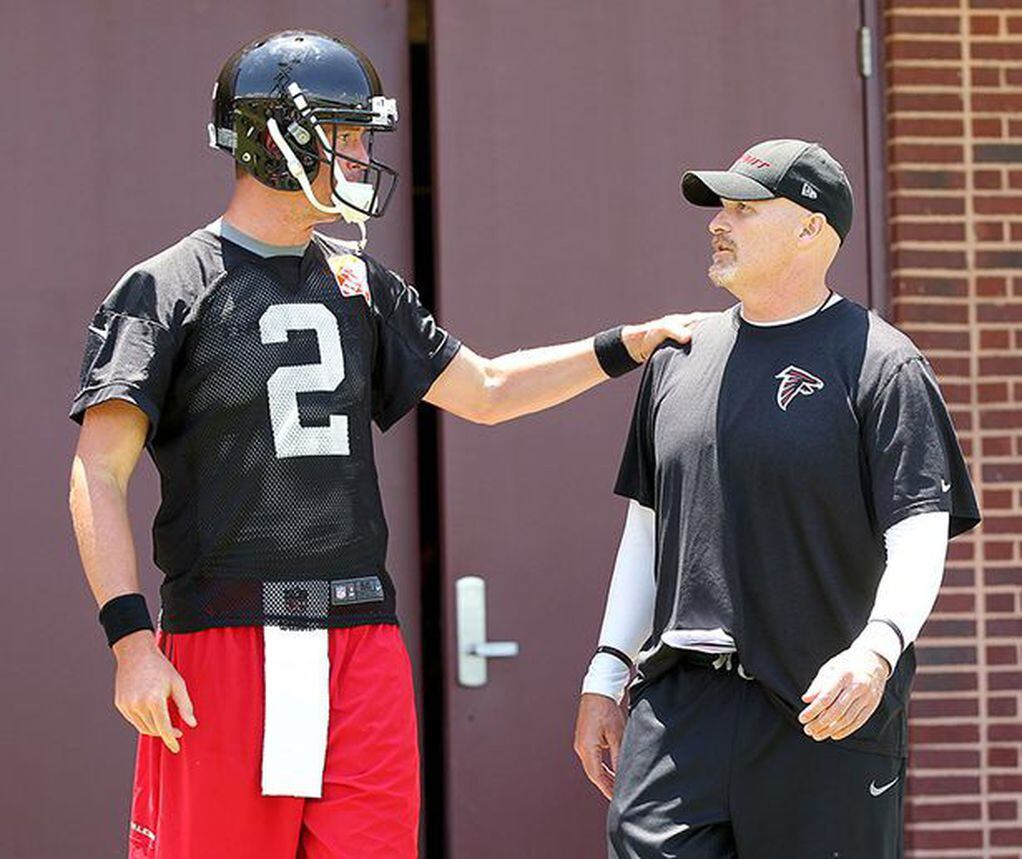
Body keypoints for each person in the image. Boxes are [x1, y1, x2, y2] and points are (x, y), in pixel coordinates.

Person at [67, 30, 701, 859]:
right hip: (223, 642)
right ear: (281, 136)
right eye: (349, 134)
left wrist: (628, 343)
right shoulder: (167, 285)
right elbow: (97, 472)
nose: (364, 155)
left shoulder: (362, 285)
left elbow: (489, 390)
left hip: (361, 639)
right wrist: (131, 642)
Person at [573, 138, 981, 858]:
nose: (717, 222)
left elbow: (919, 531)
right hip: (678, 709)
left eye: (743, 208)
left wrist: (877, 650)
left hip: (823, 711)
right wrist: (607, 669)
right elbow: (646, 527)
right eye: (718, 208)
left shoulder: (884, 364)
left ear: (809, 229)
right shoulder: (677, 358)